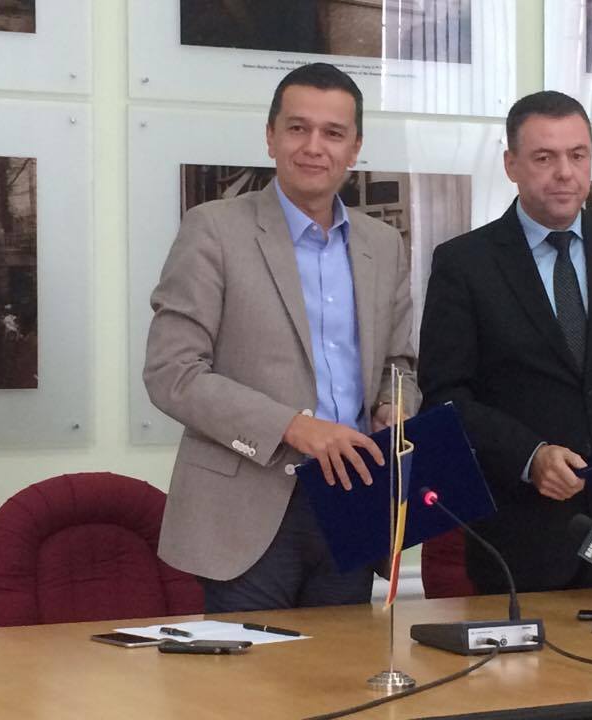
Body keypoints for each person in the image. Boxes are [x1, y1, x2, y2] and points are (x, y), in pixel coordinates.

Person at [144, 62, 418, 612]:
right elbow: (173, 373)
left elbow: (400, 364)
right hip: (245, 512)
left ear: (355, 148)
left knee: (342, 665)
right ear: (270, 137)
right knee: (251, 671)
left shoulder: (383, 244)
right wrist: (295, 427)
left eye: (333, 133)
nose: (314, 146)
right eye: (298, 128)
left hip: (353, 502)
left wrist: (395, 406)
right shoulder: (213, 229)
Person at [418, 91, 592, 594]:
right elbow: (445, 395)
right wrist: (530, 455)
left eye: (577, 155)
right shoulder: (465, 263)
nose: (565, 172)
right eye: (544, 158)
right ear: (511, 165)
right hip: (518, 534)